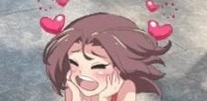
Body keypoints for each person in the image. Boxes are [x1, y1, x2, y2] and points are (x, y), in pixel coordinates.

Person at [43, 13, 171, 101]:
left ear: (119, 67)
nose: (82, 73)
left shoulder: (126, 87)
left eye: (98, 66)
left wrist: (104, 97)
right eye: (74, 63)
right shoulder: (72, 84)